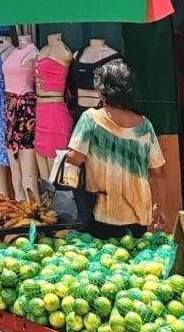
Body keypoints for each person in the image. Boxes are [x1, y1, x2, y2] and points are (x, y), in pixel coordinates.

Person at [66, 60, 167, 239]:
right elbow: (157, 171)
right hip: (139, 211)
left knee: (108, 261)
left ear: (102, 92)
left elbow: (75, 158)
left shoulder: (91, 119)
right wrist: (157, 206)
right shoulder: (144, 125)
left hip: (104, 210)